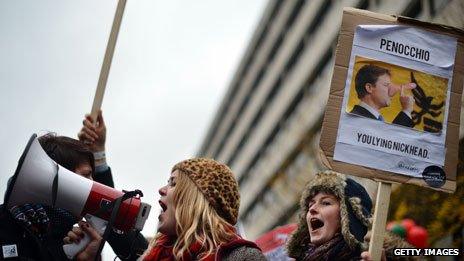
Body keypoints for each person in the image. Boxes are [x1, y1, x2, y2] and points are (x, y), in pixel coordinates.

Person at [0, 111, 146, 260]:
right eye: (86, 176)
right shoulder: (6, 227)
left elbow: (142, 254)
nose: (94, 185)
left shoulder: (74, 243)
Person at [70, 158, 266, 260]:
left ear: (197, 199)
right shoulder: (155, 254)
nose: (161, 189)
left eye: (173, 183)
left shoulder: (243, 257)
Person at [286, 170, 414, 261]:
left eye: (325, 202)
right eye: (310, 205)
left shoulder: (372, 256)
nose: (312, 208)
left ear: (349, 217)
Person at [350, 64, 416, 127]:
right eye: (386, 85)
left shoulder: (361, 117)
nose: (391, 91)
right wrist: (406, 110)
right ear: (369, 88)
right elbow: (390, 138)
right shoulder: (356, 119)